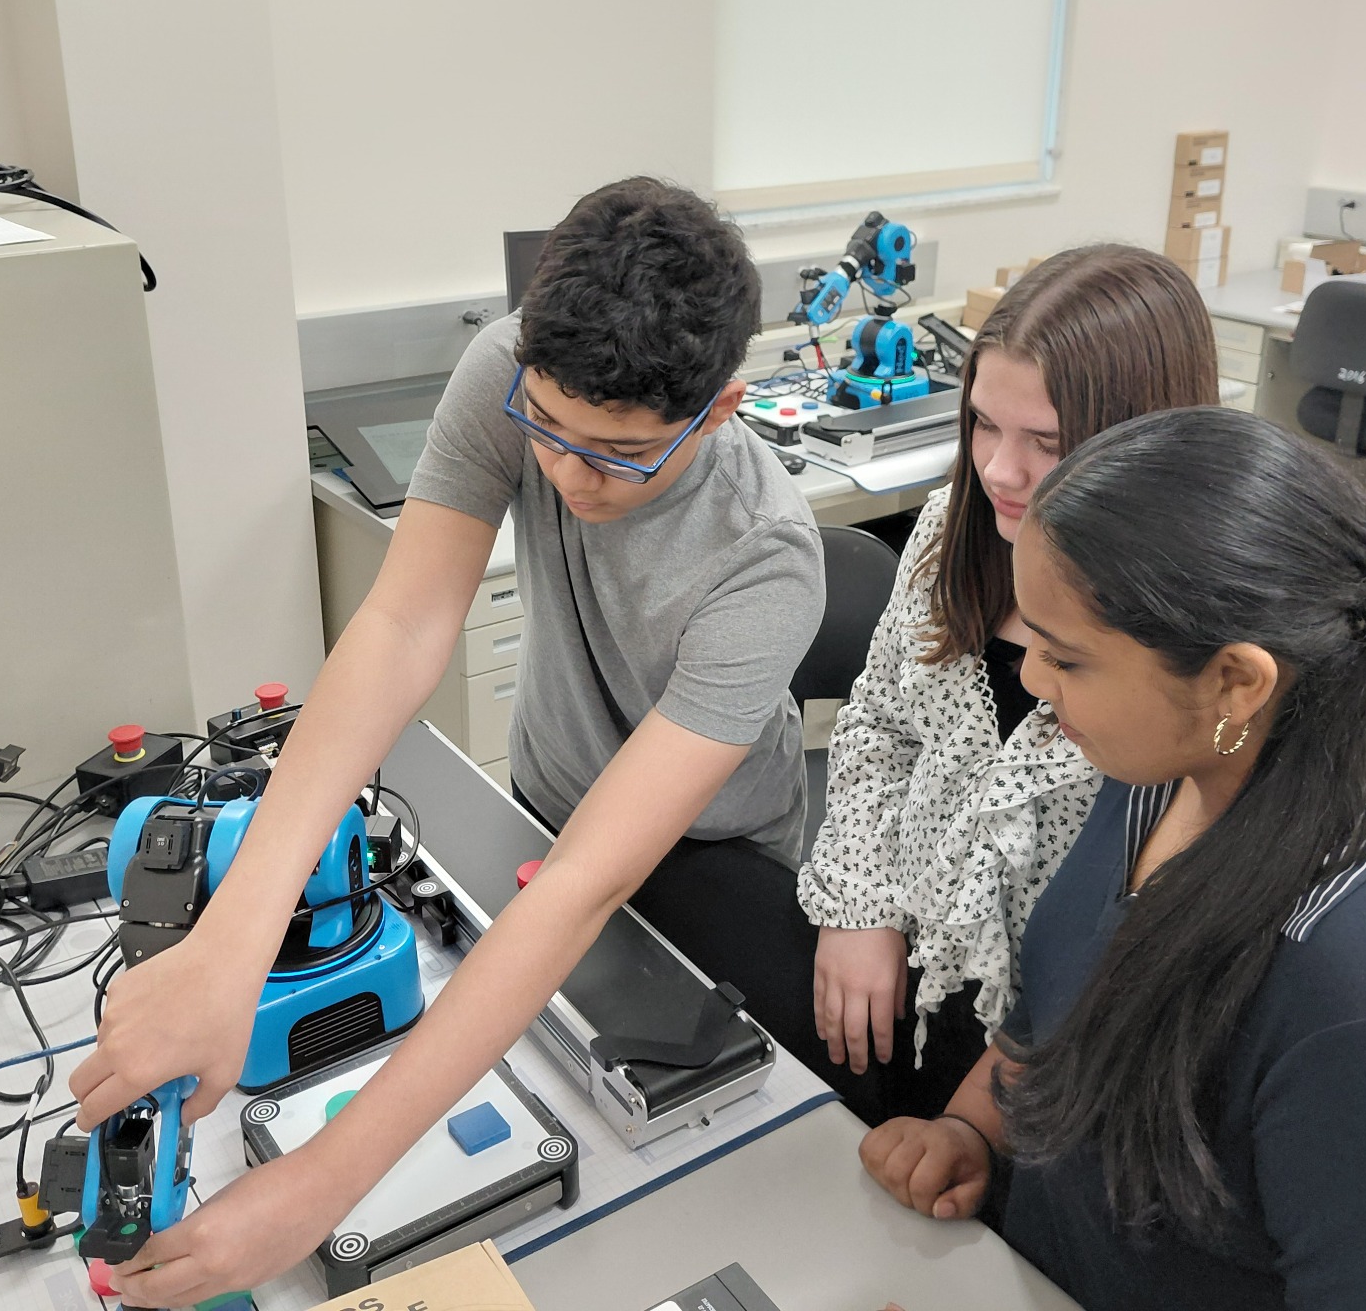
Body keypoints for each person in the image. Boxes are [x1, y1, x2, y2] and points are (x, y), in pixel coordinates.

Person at [71, 177, 825, 1307]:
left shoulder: (767, 560)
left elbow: (582, 886)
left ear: (715, 410)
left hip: (715, 860)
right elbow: (401, 623)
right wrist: (230, 946)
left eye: (614, 456)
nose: (566, 478)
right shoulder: (508, 368)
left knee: (675, 1158)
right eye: (548, 434)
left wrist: (325, 1183)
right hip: (550, 795)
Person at [861, 406, 1366, 1309]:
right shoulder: (1189, 746)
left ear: (1234, 679)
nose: (1033, 684)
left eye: (1067, 660)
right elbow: (1069, 999)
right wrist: (975, 1128)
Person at [796, 245, 1220, 1123]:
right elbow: (879, 722)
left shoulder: (1198, 638)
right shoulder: (963, 520)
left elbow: (1161, 940)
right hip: (906, 953)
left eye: (1048, 443)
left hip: (1060, 1037)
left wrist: (983, 1113)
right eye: (985, 424)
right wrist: (860, 906)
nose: (999, 470)